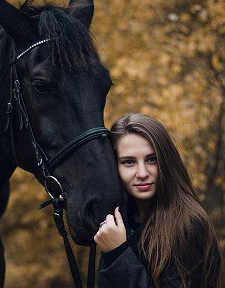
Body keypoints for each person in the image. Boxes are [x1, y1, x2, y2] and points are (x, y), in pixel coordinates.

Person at [94, 113, 221, 288]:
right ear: (115, 167)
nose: (143, 173)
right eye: (129, 162)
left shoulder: (189, 225)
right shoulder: (120, 225)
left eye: (151, 159)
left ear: (166, 161)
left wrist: (118, 254)